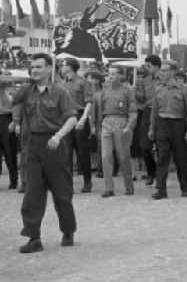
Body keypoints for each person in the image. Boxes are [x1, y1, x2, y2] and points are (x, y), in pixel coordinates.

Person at [12, 52, 78, 254]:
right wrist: (16, 118)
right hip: (33, 144)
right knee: (32, 192)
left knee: (61, 192)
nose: (34, 70)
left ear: (49, 69)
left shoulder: (60, 92)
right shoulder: (26, 91)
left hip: (54, 143)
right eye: (32, 67)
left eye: (39, 67)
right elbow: (12, 100)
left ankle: (68, 231)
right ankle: (33, 237)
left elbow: (72, 119)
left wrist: (58, 136)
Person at [148, 59, 187, 199]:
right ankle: (161, 190)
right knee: (162, 158)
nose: (162, 73)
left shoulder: (184, 89)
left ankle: (184, 187)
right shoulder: (158, 89)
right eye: (161, 70)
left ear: (174, 71)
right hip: (162, 124)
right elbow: (154, 112)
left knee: (180, 158)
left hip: (178, 124)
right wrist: (152, 128)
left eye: (165, 70)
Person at [94, 65, 137, 197]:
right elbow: (100, 110)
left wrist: (129, 126)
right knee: (105, 156)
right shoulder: (104, 90)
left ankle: (129, 186)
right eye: (109, 74)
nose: (110, 76)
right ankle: (109, 188)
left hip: (121, 122)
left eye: (113, 74)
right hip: (107, 122)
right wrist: (99, 127)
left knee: (123, 156)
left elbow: (133, 110)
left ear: (120, 76)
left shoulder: (128, 90)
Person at [63, 58, 94, 193]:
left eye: (63, 65)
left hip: (79, 116)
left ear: (70, 67)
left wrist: (83, 118)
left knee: (83, 152)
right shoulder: (62, 83)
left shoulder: (83, 82)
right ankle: (67, 183)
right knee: (66, 153)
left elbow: (89, 102)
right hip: (65, 119)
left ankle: (87, 182)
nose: (61, 67)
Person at [134, 55, 162, 186]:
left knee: (162, 146)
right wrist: (135, 89)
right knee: (145, 146)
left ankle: (161, 175)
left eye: (149, 66)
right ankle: (151, 173)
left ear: (156, 66)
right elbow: (142, 98)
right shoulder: (144, 80)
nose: (146, 68)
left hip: (162, 112)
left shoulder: (165, 78)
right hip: (148, 111)